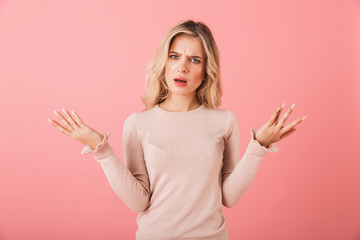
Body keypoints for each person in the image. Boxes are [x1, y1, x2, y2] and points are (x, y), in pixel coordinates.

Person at [48, 19, 306, 240]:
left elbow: (228, 197)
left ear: (206, 71)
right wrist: (100, 149)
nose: (182, 67)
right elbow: (139, 201)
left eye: (194, 60)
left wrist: (258, 146)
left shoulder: (224, 121)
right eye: (175, 56)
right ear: (164, 62)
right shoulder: (138, 124)